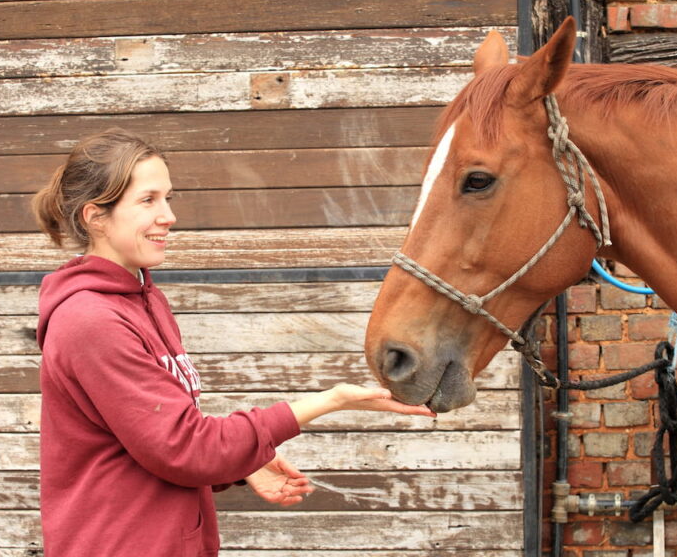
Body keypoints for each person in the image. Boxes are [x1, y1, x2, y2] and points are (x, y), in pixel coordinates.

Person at [31, 128, 435, 556]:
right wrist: (330, 400)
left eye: (168, 198)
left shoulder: (147, 301)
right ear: (96, 217)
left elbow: (155, 440)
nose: (168, 215)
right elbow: (184, 448)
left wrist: (241, 466)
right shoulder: (90, 321)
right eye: (148, 200)